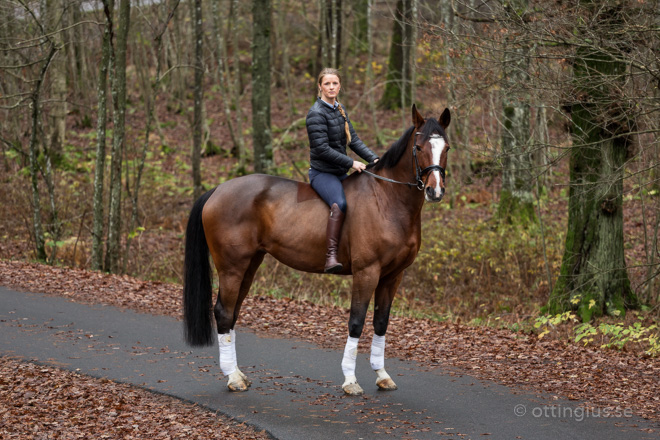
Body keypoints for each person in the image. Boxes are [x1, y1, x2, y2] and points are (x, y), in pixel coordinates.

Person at [306, 68, 379, 273]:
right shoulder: (316, 114)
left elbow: (352, 140)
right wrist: (351, 163)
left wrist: (374, 158)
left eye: (334, 83)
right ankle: (330, 256)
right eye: (327, 84)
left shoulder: (340, 109)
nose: (331, 87)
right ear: (320, 86)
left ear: (340, 86)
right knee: (340, 204)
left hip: (340, 171)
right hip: (323, 173)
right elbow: (321, 149)